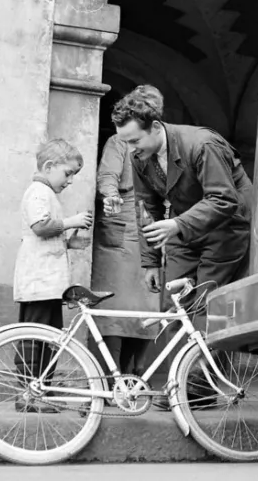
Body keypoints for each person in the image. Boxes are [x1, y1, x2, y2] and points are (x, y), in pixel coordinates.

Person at [110, 84, 252, 409]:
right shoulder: (141, 156)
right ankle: (181, 382)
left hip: (227, 226)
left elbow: (223, 198)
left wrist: (177, 224)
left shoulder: (202, 143)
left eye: (134, 140)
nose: (131, 149)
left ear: (156, 127)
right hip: (185, 225)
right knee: (175, 307)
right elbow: (146, 207)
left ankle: (200, 390)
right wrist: (149, 261)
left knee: (207, 305)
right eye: (126, 142)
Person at [13, 139, 94, 413]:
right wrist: (72, 221)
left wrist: (68, 243)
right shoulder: (38, 192)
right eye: (68, 173)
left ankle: (41, 391)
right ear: (49, 167)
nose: (70, 180)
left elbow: (48, 235)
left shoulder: (46, 193)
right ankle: (28, 394)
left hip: (47, 283)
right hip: (39, 282)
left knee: (49, 338)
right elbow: (40, 226)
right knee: (35, 338)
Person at [88, 133, 160, 392]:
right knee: (115, 306)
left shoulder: (160, 142)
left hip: (151, 225)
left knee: (146, 307)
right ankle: (112, 373)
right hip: (121, 224)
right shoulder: (118, 141)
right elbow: (107, 175)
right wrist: (109, 195)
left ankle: (136, 371)